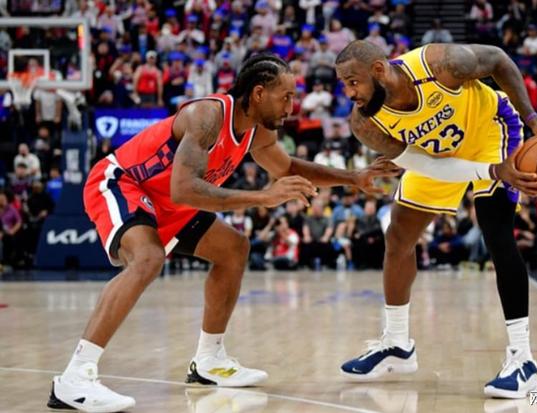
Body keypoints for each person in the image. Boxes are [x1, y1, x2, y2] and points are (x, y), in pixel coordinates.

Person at [48, 53, 398, 413]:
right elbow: (184, 189)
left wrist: (352, 178)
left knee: (233, 248)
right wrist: (262, 197)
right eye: (286, 97)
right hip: (124, 183)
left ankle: (209, 361)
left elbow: (287, 167)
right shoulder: (206, 116)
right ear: (258, 93)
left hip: (169, 203)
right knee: (148, 258)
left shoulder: (259, 131)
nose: (291, 107)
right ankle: (75, 377)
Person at [335, 40, 537, 399]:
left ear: (379, 70)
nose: (349, 93)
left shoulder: (441, 64)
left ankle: (523, 360)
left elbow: (498, 60)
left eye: (353, 82)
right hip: (437, 156)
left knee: (496, 232)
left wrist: (533, 119)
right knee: (398, 237)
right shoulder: (364, 123)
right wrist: (489, 171)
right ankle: (398, 345)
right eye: (344, 85)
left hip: (490, 131)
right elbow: (425, 165)